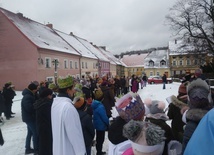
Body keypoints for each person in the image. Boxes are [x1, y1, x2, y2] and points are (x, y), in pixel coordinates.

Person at [51, 75, 86, 155]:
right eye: (72, 88)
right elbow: (74, 134)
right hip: (68, 150)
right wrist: (81, 152)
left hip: (59, 148)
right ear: (68, 90)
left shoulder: (55, 103)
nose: (74, 91)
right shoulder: (68, 108)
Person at [34, 88, 53, 155]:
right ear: (48, 95)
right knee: (46, 146)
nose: (51, 96)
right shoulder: (46, 104)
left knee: (42, 144)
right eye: (51, 95)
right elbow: (49, 117)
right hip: (46, 129)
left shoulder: (40, 102)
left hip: (41, 127)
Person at [21, 83, 39, 154]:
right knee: (35, 133)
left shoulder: (30, 95)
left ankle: (27, 148)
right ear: (33, 89)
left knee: (30, 133)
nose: (36, 91)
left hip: (29, 118)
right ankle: (36, 149)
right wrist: (36, 105)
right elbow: (29, 108)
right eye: (35, 89)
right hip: (29, 118)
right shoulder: (28, 96)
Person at [91, 88, 109, 155]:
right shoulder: (100, 106)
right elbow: (104, 117)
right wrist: (107, 123)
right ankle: (99, 152)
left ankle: (98, 151)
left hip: (97, 125)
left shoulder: (94, 104)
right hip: (101, 126)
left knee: (99, 139)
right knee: (101, 140)